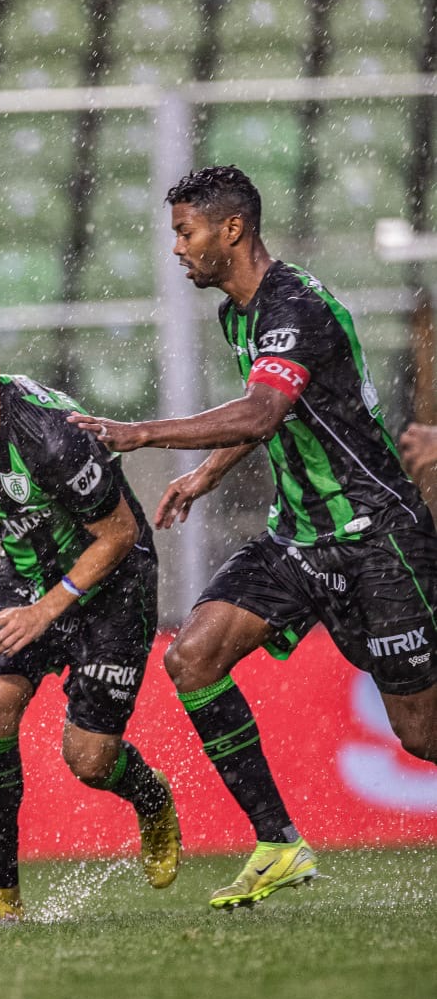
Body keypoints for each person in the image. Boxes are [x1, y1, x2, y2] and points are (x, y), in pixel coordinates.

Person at [71, 165, 437, 909]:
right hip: (297, 537)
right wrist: (206, 473)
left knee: (421, 734)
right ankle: (278, 843)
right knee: (193, 656)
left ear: (231, 229)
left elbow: (263, 411)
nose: (177, 248)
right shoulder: (236, 315)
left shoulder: (293, 305)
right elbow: (270, 409)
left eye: (186, 232)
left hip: (376, 534)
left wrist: (139, 433)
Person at [0, 315, 181, 927]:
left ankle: (149, 796)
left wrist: (45, 611)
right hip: (27, 574)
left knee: (89, 759)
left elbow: (119, 534)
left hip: (114, 582)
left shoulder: (52, 437)